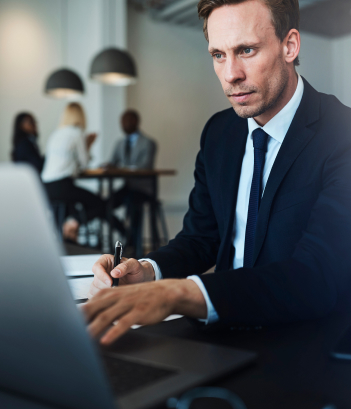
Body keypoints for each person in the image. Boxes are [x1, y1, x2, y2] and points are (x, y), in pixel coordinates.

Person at [83, 0, 351, 345]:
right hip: (220, 332)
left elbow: (318, 275)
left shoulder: (342, 133)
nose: (231, 75)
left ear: (290, 45)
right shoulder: (219, 133)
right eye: (218, 55)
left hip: (305, 344)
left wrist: (177, 294)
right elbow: (201, 238)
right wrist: (148, 272)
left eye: (247, 50)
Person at [42, 103, 123, 241]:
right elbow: (84, 163)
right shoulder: (77, 132)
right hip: (62, 185)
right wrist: (88, 144)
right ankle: (72, 223)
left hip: (47, 187)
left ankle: (70, 229)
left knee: (85, 204)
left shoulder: (56, 133)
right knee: (99, 204)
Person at [110, 109, 157, 251]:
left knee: (133, 203)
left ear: (136, 122)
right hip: (127, 186)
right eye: (122, 121)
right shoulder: (120, 143)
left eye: (127, 121)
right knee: (107, 204)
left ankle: (135, 248)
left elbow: (145, 166)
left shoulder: (148, 143)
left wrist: (122, 168)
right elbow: (113, 162)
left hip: (143, 189)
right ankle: (127, 235)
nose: (124, 124)